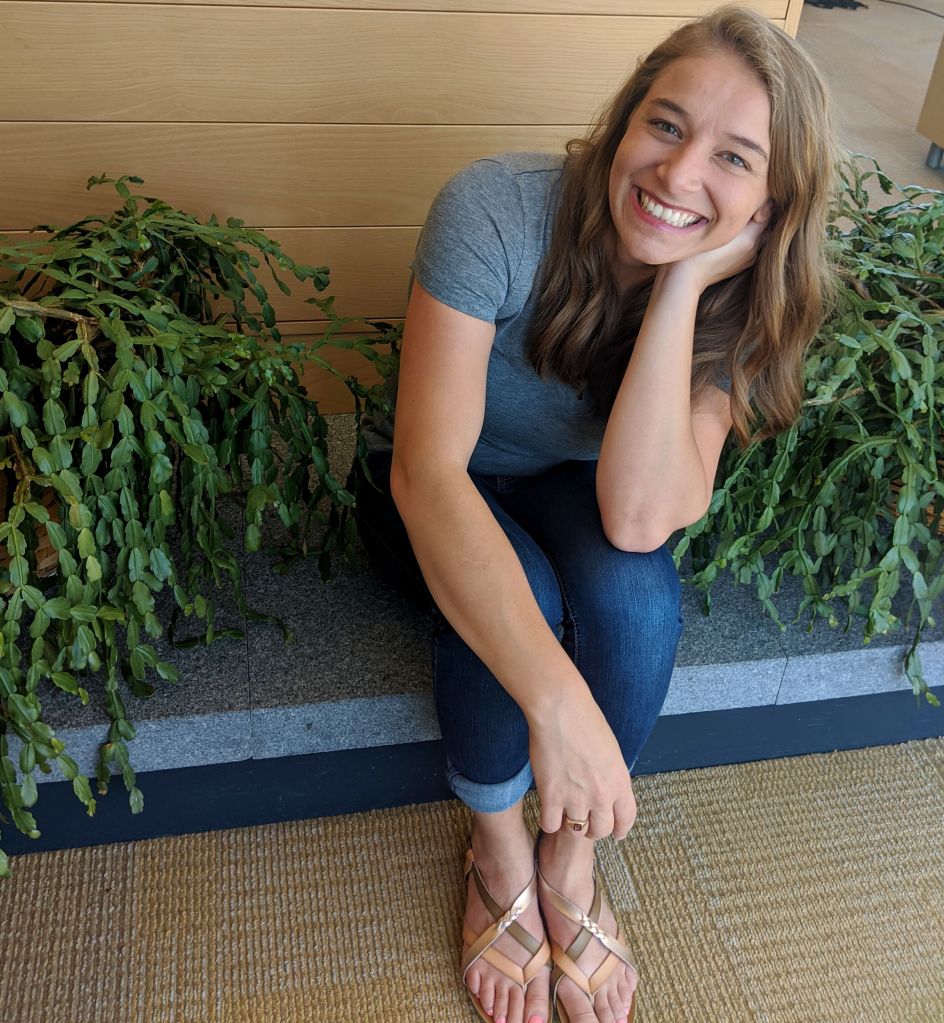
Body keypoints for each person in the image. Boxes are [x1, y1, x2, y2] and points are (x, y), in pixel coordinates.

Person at [353, 6, 839, 1023]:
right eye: (665, 124)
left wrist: (683, 288)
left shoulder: (742, 298)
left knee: (635, 594)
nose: (677, 172)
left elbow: (637, 517)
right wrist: (557, 704)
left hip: (577, 492)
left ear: (772, 205)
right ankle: (497, 850)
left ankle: (568, 861)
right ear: (625, 120)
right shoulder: (495, 208)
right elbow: (427, 475)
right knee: (520, 596)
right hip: (431, 482)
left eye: (733, 157)